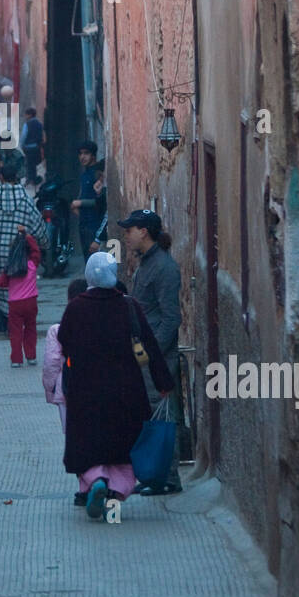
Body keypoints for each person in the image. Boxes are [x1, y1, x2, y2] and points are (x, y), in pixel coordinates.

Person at [58, 252, 174, 518]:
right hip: (126, 391)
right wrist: (163, 382)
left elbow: (64, 342)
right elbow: (150, 345)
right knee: (123, 446)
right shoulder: (129, 306)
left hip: (85, 391)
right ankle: (115, 492)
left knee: (88, 444)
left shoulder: (76, 307)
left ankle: (97, 479)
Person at [119, 209, 184, 495]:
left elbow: (171, 318)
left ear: (143, 231)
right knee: (151, 414)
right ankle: (154, 474)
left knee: (163, 416)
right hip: (146, 355)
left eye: (130, 230)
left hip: (157, 357)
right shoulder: (147, 264)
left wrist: (152, 354)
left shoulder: (164, 268)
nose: (127, 236)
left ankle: (168, 479)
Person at [0, 157, 48, 335]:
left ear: (1, 177)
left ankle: (2, 322)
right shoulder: (26, 198)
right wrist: (43, 243)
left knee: (0, 285)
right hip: (19, 252)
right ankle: (15, 323)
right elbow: (37, 224)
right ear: (16, 178)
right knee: (17, 287)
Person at [42, 275, 89, 462]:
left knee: (74, 436)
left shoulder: (57, 330)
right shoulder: (97, 324)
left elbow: (51, 363)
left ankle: (86, 479)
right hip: (96, 385)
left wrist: (50, 388)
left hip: (66, 388)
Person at [0, 227, 41, 367]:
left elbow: (1, 282)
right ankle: (31, 356)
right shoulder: (32, 264)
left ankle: (16, 360)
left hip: (15, 304)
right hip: (31, 302)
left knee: (15, 332)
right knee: (31, 329)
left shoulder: (9, 268)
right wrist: (27, 236)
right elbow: (36, 251)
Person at [70, 141, 104, 261]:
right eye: (80, 154)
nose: (82, 157)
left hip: (95, 224)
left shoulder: (98, 173)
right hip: (84, 224)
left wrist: (80, 203)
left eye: (86, 153)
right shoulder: (84, 175)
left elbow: (101, 202)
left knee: (95, 262)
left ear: (93, 155)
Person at [19, 107, 45, 186]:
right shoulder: (40, 124)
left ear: (29, 115)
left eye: (26, 114)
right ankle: (33, 179)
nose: (25, 116)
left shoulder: (27, 124)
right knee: (33, 164)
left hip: (28, 147)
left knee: (28, 164)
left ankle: (29, 180)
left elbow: (23, 136)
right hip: (36, 147)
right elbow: (41, 135)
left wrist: (21, 145)